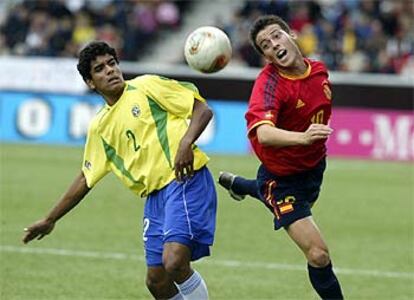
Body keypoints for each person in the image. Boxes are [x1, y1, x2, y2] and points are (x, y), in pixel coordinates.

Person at [22, 41, 217, 300]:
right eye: (100, 69)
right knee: (156, 281)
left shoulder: (147, 86)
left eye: (112, 64)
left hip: (184, 180)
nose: (110, 71)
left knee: (174, 261)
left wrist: (186, 142)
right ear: (91, 83)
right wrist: (50, 219)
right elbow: (86, 177)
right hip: (154, 198)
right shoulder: (100, 127)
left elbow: (201, 109)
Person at [218, 15, 344, 299]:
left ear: (292, 36)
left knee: (269, 194)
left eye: (277, 36)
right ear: (266, 57)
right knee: (318, 253)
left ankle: (243, 186)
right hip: (282, 180)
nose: (274, 45)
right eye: (266, 45)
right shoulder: (269, 84)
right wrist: (303, 138)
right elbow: (263, 134)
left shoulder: (319, 71)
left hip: (313, 168)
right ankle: (261, 188)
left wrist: (310, 142)